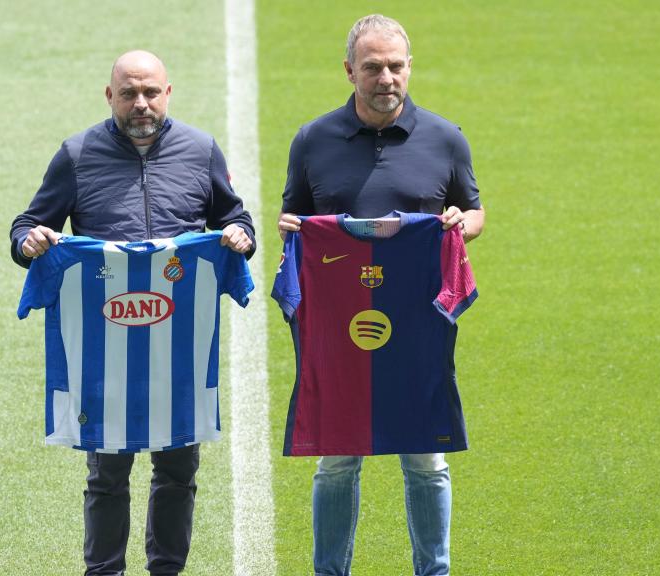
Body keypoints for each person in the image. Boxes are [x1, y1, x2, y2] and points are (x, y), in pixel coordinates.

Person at [10, 50, 255, 576]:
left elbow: (234, 217)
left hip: (178, 346)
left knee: (177, 470)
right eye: (129, 94)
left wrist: (241, 235)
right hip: (106, 347)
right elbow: (29, 221)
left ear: (168, 93)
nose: (140, 104)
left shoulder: (200, 150)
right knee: (107, 473)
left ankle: (166, 569)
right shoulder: (76, 155)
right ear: (110, 96)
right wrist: (27, 241)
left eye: (150, 93)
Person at [276, 15, 485, 576]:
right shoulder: (313, 139)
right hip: (340, 323)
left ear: (409, 67)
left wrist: (459, 224)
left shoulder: (446, 137)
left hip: (416, 318)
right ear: (350, 71)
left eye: (395, 66)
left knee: (426, 458)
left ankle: (433, 570)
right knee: (338, 459)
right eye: (372, 67)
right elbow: (292, 212)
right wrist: (291, 229)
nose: (385, 78)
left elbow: (475, 210)